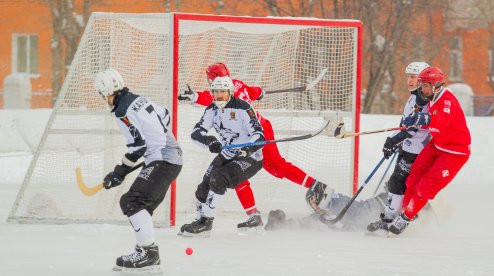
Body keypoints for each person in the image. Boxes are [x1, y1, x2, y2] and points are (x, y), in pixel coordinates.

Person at [178, 63, 333, 230]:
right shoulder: (237, 83)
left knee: (275, 167)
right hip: (249, 132)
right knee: (236, 174)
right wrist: (260, 92)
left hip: (254, 132)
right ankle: (254, 215)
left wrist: (194, 96)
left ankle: (315, 185)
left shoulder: (224, 93)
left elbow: (213, 99)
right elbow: (254, 91)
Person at [94, 69, 183, 273]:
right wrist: (156, 145)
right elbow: (165, 115)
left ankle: (149, 253)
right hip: (172, 157)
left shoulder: (121, 111)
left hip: (164, 160)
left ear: (105, 92)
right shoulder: (138, 99)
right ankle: (145, 249)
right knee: (142, 207)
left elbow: (138, 146)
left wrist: (120, 172)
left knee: (132, 202)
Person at [389, 66, 471, 235]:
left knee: (425, 187)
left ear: (437, 85)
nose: (424, 89)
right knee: (412, 179)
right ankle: (405, 214)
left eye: (427, 85)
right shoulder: (429, 96)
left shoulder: (447, 99)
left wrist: (423, 118)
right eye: (422, 85)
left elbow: (442, 119)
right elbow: (425, 117)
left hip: (455, 153)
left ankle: (405, 218)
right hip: (437, 145)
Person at [182, 76, 265, 237]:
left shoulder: (243, 108)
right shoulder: (211, 109)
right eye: (216, 92)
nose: (219, 95)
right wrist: (209, 141)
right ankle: (200, 222)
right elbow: (196, 133)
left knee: (219, 179)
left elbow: (259, 135)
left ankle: (206, 223)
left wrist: (248, 148)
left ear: (230, 92)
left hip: (250, 157)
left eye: (223, 92)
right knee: (202, 188)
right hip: (227, 153)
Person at [366, 62, 431, 236]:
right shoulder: (414, 96)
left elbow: (411, 129)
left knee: (398, 183)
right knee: (401, 184)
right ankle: (396, 217)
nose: (409, 80)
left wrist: (392, 141)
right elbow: (405, 124)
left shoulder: (421, 99)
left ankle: (392, 220)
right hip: (410, 147)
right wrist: (395, 142)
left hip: (415, 151)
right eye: (408, 77)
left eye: (413, 77)